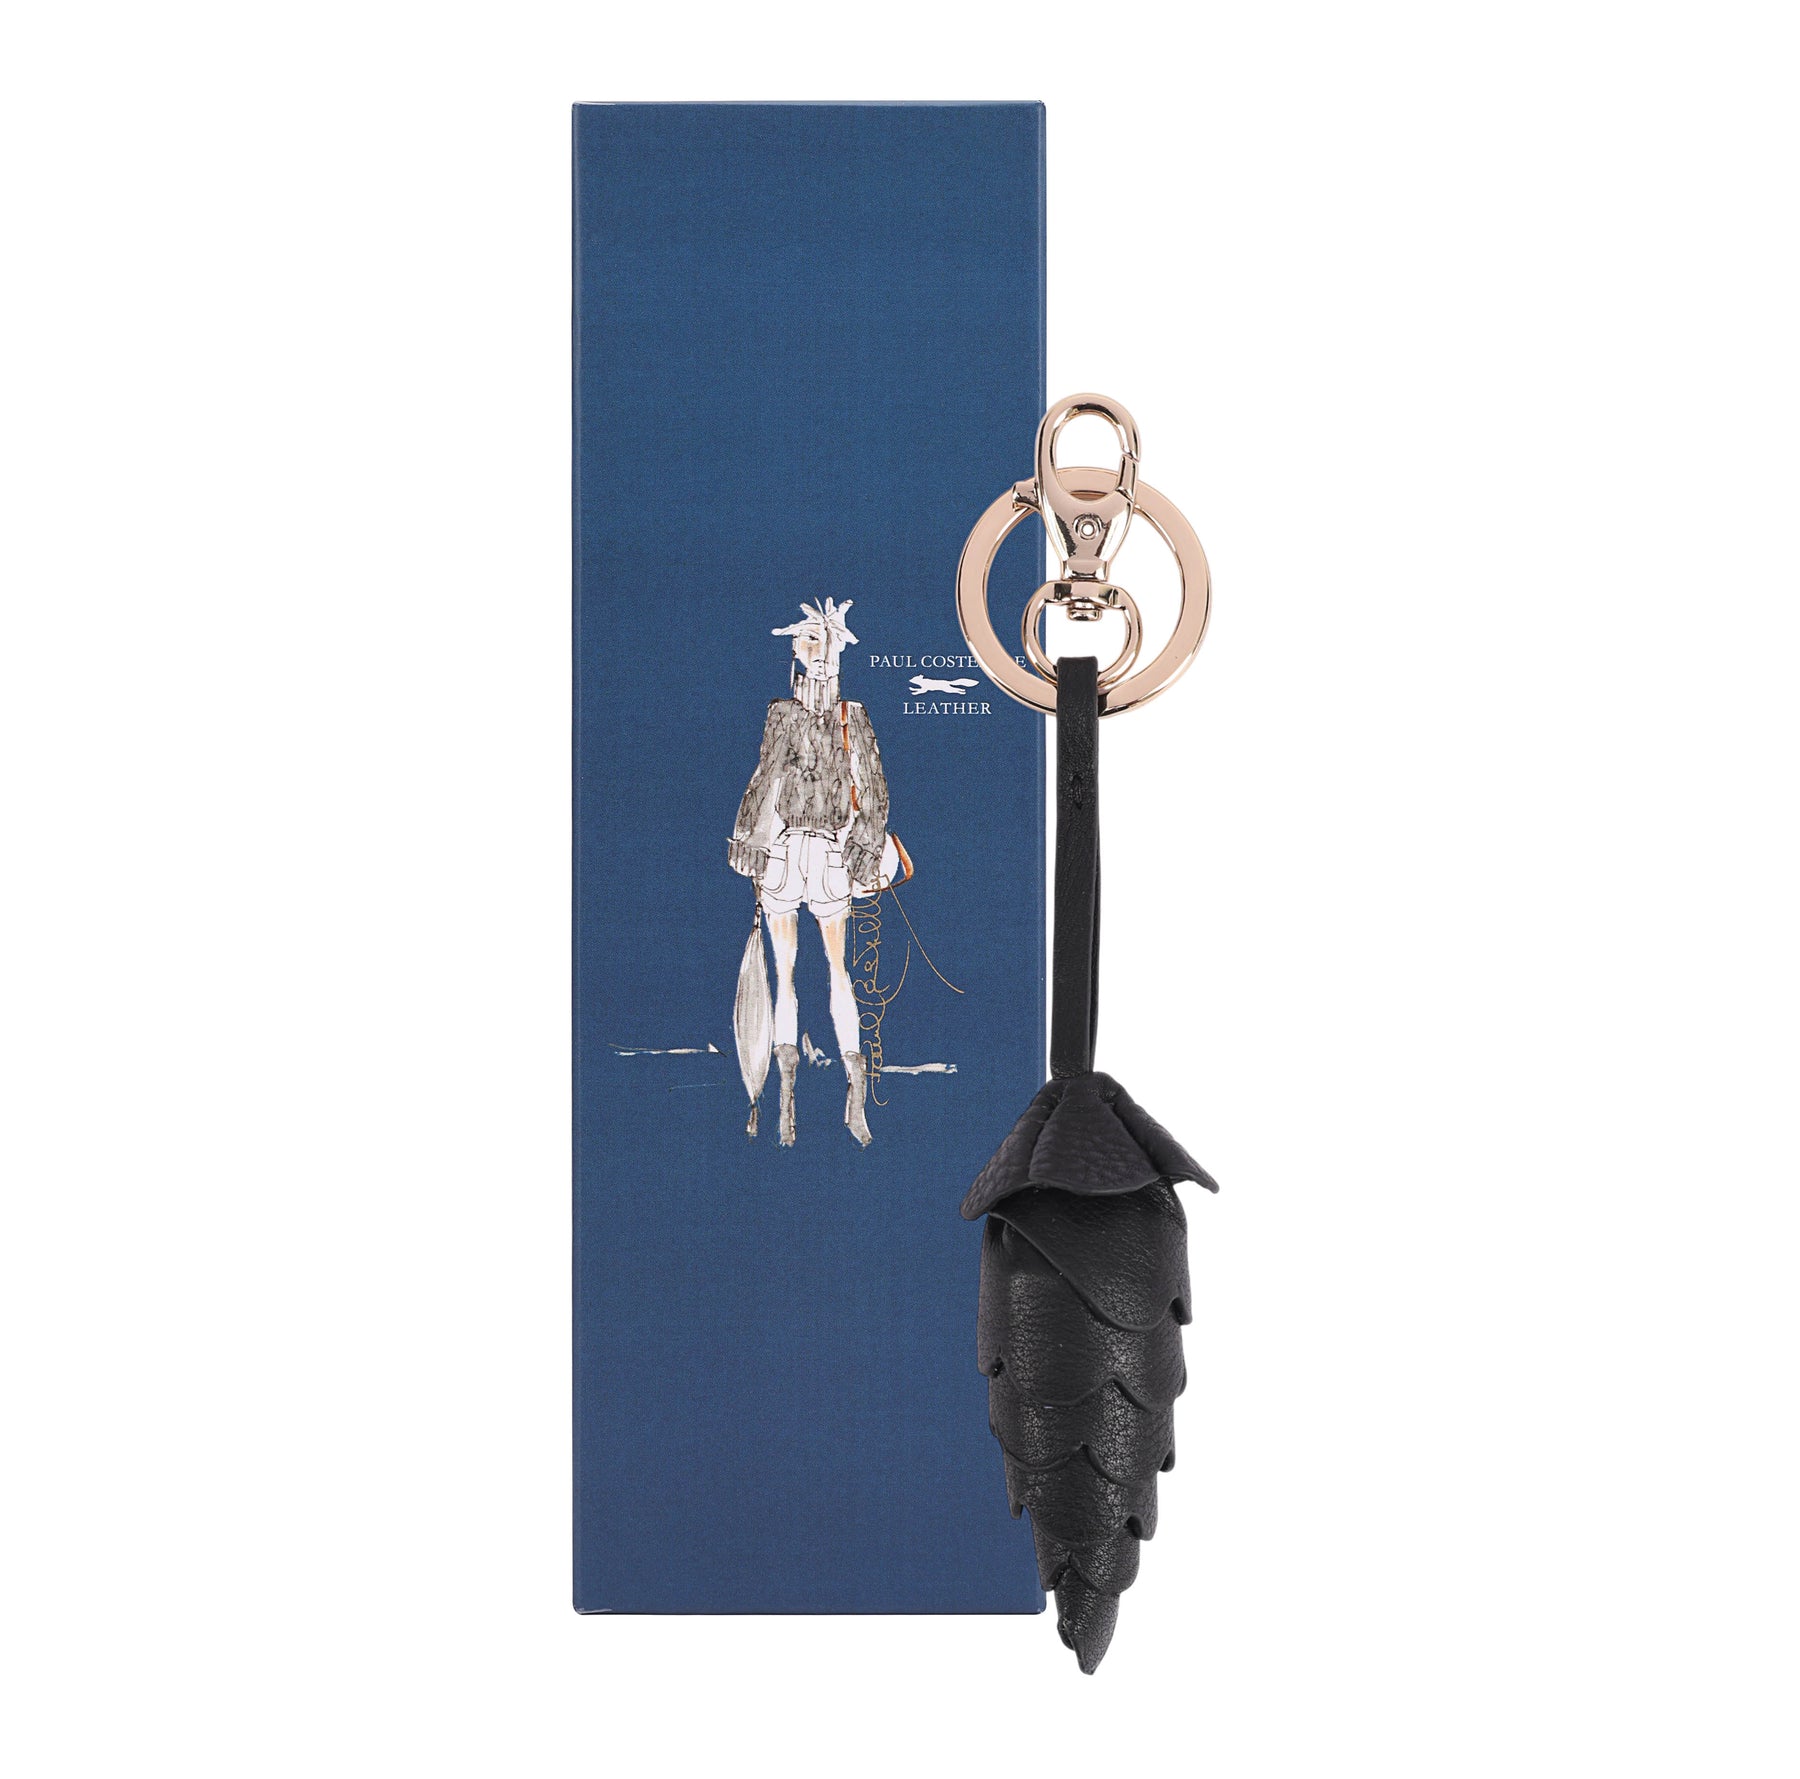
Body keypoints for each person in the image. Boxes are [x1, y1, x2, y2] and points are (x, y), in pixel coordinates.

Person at [728, 598, 889, 1147]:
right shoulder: (781, 714)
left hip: (829, 855)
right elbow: (764, 777)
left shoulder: (854, 716)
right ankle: (785, 1101)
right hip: (784, 854)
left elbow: (874, 788)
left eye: (827, 643)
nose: (819, 653)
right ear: (796, 651)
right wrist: (749, 838)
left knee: (837, 970)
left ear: (840, 652)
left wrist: (866, 844)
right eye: (809, 642)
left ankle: (854, 1095)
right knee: (786, 972)